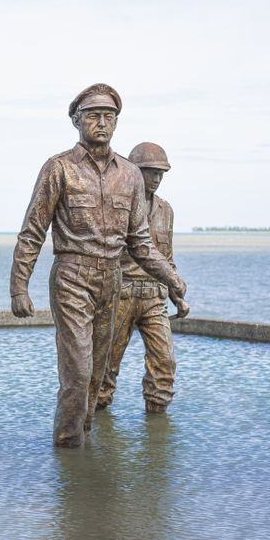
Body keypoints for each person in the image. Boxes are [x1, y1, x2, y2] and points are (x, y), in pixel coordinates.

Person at [10, 84, 188, 448]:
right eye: (93, 116)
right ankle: (68, 451)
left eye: (109, 117)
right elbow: (32, 232)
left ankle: (82, 448)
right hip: (72, 277)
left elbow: (140, 241)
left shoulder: (130, 174)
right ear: (77, 121)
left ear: (117, 123)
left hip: (112, 279)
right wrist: (19, 286)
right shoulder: (58, 168)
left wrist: (171, 278)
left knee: (96, 376)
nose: (101, 123)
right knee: (78, 371)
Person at [97, 142, 190, 413]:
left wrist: (177, 298)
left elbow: (167, 260)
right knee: (104, 371)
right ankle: (96, 435)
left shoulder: (165, 211)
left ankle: (157, 439)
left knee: (164, 367)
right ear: (135, 172)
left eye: (161, 174)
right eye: (151, 172)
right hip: (120, 295)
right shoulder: (116, 206)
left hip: (154, 297)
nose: (156, 179)